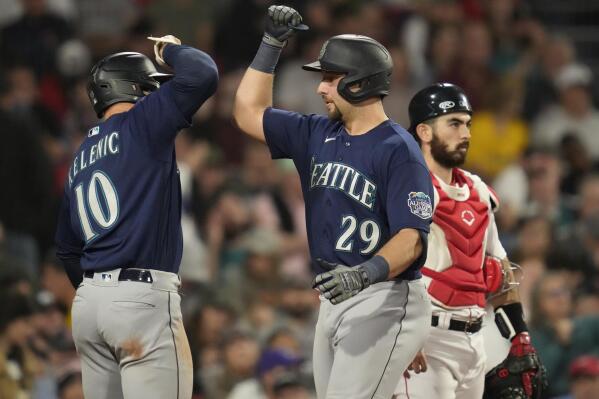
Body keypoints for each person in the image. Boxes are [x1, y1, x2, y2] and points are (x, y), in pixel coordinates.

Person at [233, 5, 434, 398]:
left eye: (329, 78)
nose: (320, 87)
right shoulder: (316, 133)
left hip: (384, 295)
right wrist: (270, 45)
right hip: (334, 295)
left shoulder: (398, 150)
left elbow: (412, 238)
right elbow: (247, 113)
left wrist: (363, 274)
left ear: (357, 83)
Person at [54, 34, 218, 399]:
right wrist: (170, 49)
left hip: (89, 307)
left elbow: (67, 249)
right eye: (149, 86)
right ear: (133, 88)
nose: (154, 93)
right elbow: (203, 74)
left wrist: (99, 292)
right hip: (140, 298)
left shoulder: (79, 157)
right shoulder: (143, 123)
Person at [393, 83, 546, 399]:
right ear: (423, 131)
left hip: (474, 339)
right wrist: (401, 335)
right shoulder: (408, 188)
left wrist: (519, 334)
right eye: (454, 123)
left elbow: (500, 268)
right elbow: (390, 267)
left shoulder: (477, 191)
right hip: (426, 339)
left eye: (467, 124)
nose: (466, 133)